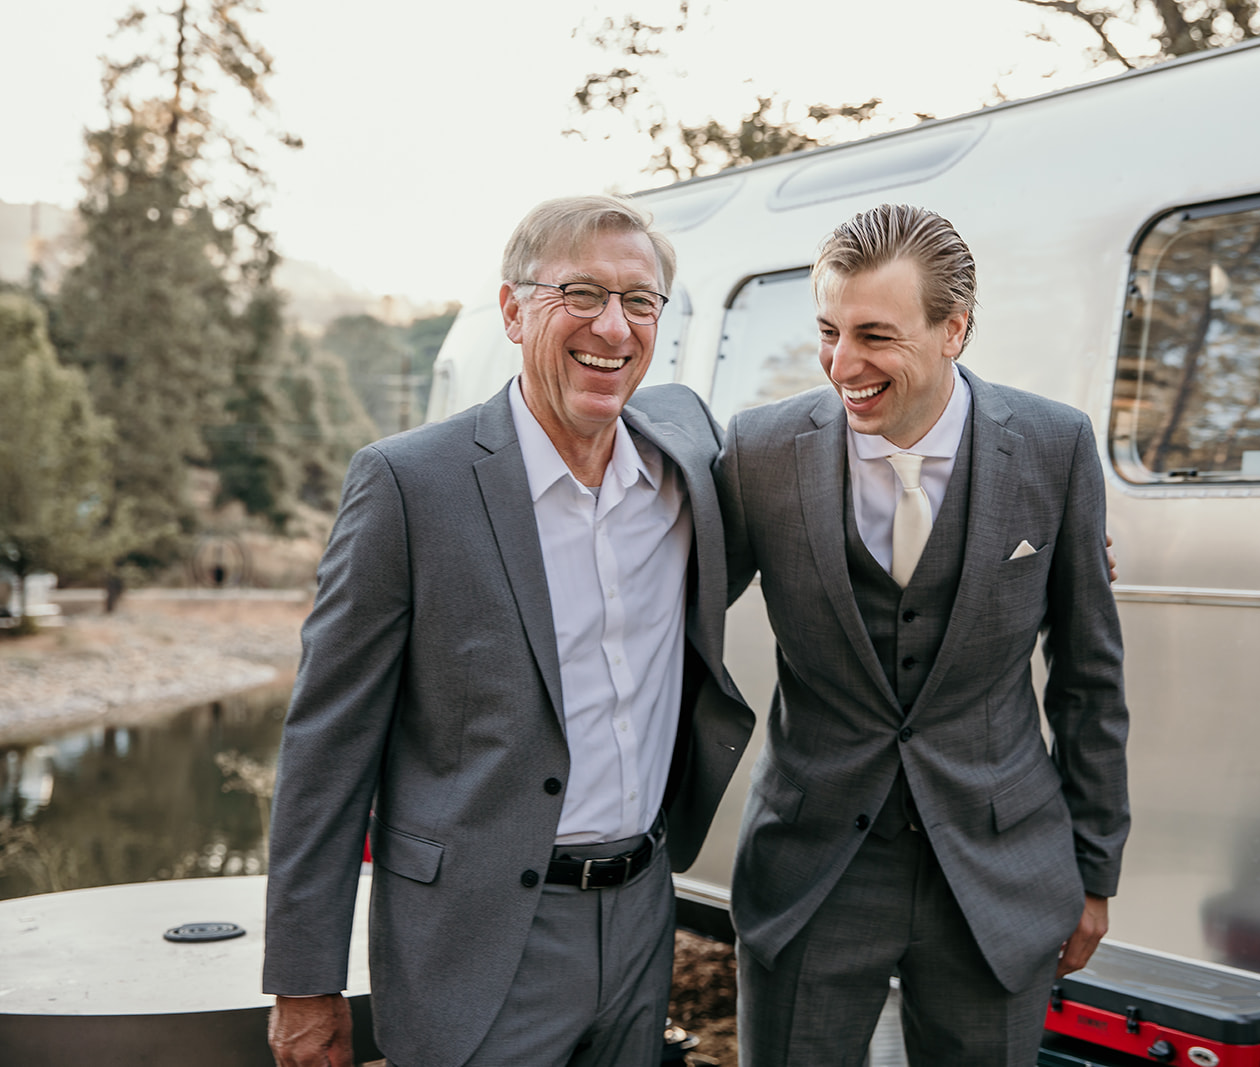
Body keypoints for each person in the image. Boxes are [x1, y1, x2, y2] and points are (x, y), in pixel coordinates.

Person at [263, 195, 753, 1067]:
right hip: (474, 941)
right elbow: (326, 744)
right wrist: (307, 981)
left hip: (641, 919)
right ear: (513, 308)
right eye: (582, 292)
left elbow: (814, 476)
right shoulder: (409, 485)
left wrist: (1057, 531)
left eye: (640, 300)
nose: (614, 326)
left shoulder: (687, 449)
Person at [717, 203, 1130, 1066]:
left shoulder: (1055, 446)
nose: (842, 364)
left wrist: (1093, 870)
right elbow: (671, 620)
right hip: (814, 868)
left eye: (875, 335)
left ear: (955, 330)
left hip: (996, 873)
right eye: (828, 330)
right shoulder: (759, 451)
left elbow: (1089, 676)